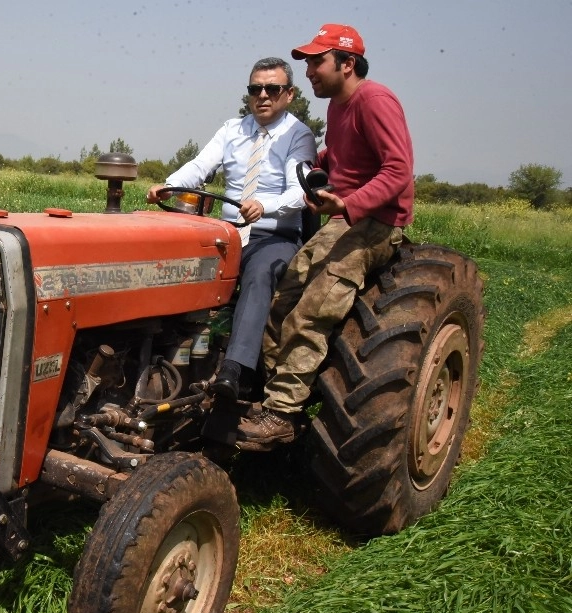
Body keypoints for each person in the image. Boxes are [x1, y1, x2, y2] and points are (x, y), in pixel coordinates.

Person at [236, 24, 415, 448]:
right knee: (282, 299)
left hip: (375, 222)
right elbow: (336, 156)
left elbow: (398, 170)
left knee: (313, 309)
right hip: (340, 220)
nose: (310, 71)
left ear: (347, 63)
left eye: (318, 61)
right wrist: (308, 163)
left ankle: (281, 413)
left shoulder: (375, 101)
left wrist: (349, 206)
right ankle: (272, 398)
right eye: (309, 62)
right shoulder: (337, 106)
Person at [146, 57, 316, 402]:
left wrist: (265, 206)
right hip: (227, 232)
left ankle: (234, 372)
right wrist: (168, 186)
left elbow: (301, 191)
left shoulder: (298, 135)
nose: (263, 95)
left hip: (274, 234)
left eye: (273, 88)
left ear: (289, 94)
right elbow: (200, 166)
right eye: (256, 89)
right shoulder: (232, 130)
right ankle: (164, 357)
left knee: (259, 274)